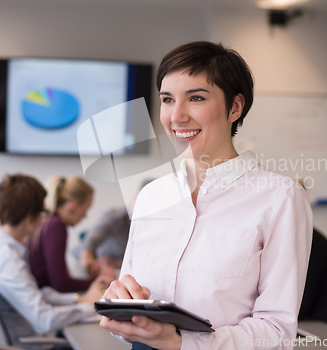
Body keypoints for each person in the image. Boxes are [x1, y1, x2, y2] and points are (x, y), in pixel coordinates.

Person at [99, 41, 313, 350]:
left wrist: (180, 343)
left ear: (235, 107)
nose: (177, 116)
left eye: (196, 98)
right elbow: (131, 302)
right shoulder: (150, 196)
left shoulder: (280, 198)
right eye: (168, 100)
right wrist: (118, 306)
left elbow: (276, 331)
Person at [0, 174, 108, 338]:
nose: (44, 218)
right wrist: (90, 306)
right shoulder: (7, 260)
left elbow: (37, 295)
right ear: (28, 220)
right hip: (29, 344)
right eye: (42, 212)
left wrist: (79, 299)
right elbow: (44, 320)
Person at [27, 175, 107, 293]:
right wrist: (101, 281)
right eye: (86, 209)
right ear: (73, 207)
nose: (85, 216)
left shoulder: (47, 221)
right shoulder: (55, 226)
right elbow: (61, 285)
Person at [80, 179, 155, 278]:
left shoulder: (152, 225)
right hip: (97, 266)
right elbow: (90, 242)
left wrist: (117, 262)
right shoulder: (115, 216)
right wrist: (88, 262)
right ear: (134, 198)